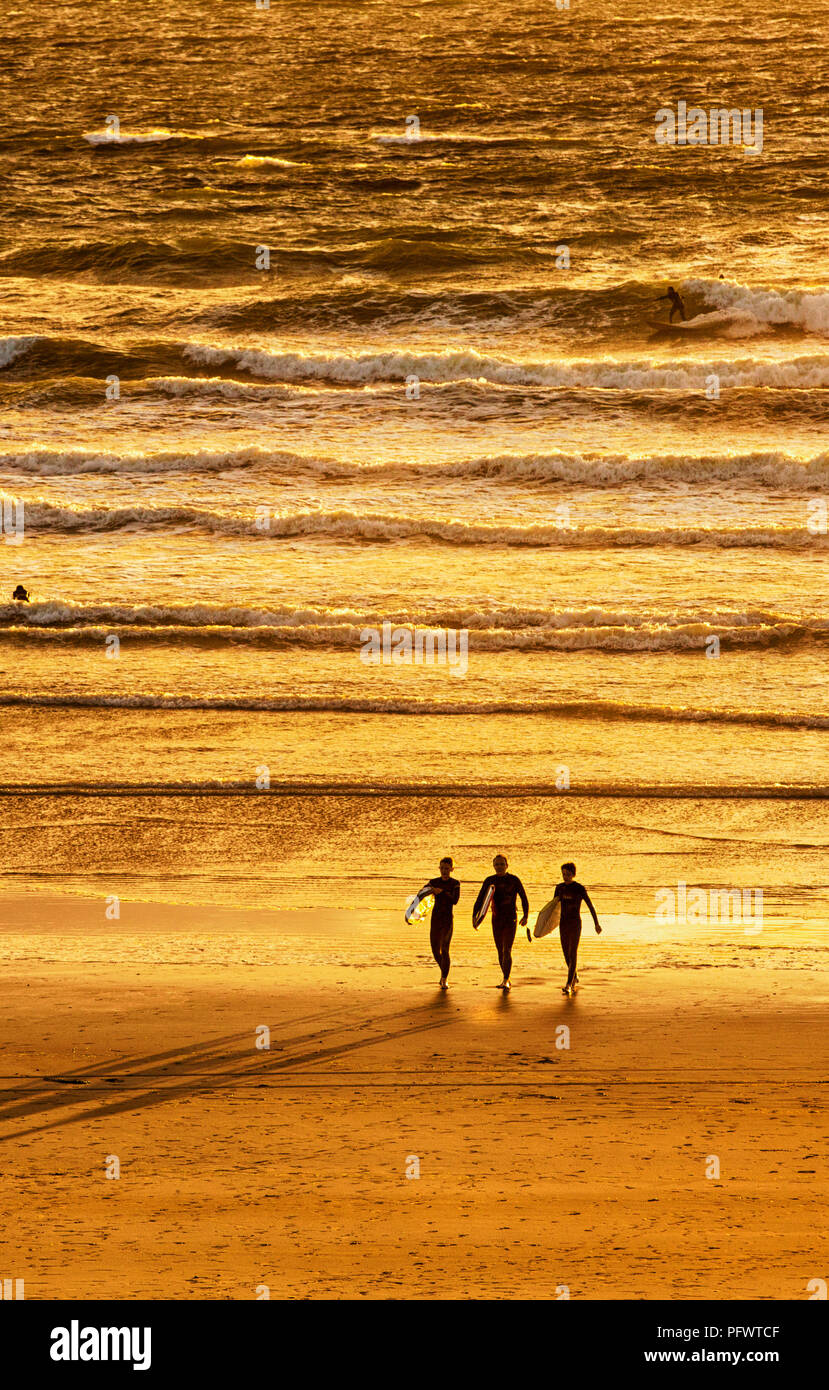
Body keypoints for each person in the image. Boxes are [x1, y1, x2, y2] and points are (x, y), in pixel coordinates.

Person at [472, 854, 529, 991]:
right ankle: (505, 977)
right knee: (499, 950)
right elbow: (480, 899)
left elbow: (524, 898)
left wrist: (525, 915)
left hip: (511, 918)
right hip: (496, 919)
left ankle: (506, 979)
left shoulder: (514, 880)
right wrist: (475, 917)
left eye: (502, 864)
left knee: (507, 949)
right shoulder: (490, 881)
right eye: (497, 864)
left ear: (507, 865)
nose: (499, 867)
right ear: (493, 866)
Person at [553, 862, 601, 994]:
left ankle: (569, 983)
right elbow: (553, 908)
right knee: (566, 954)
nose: (565, 877)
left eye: (568, 874)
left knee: (572, 952)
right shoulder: (559, 888)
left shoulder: (579, 888)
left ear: (573, 874)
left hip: (575, 924)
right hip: (563, 924)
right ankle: (574, 975)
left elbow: (590, 905)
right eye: (563, 874)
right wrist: (546, 925)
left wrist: (596, 923)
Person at [425, 856, 460, 989]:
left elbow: (455, 900)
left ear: (452, 869)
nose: (444, 871)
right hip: (435, 919)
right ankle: (444, 971)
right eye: (442, 868)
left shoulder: (455, 883)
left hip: (447, 920)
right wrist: (430, 890)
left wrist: (442, 892)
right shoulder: (433, 882)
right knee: (435, 950)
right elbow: (421, 894)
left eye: (447, 868)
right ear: (439, 868)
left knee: (445, 949)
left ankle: (444, 979)